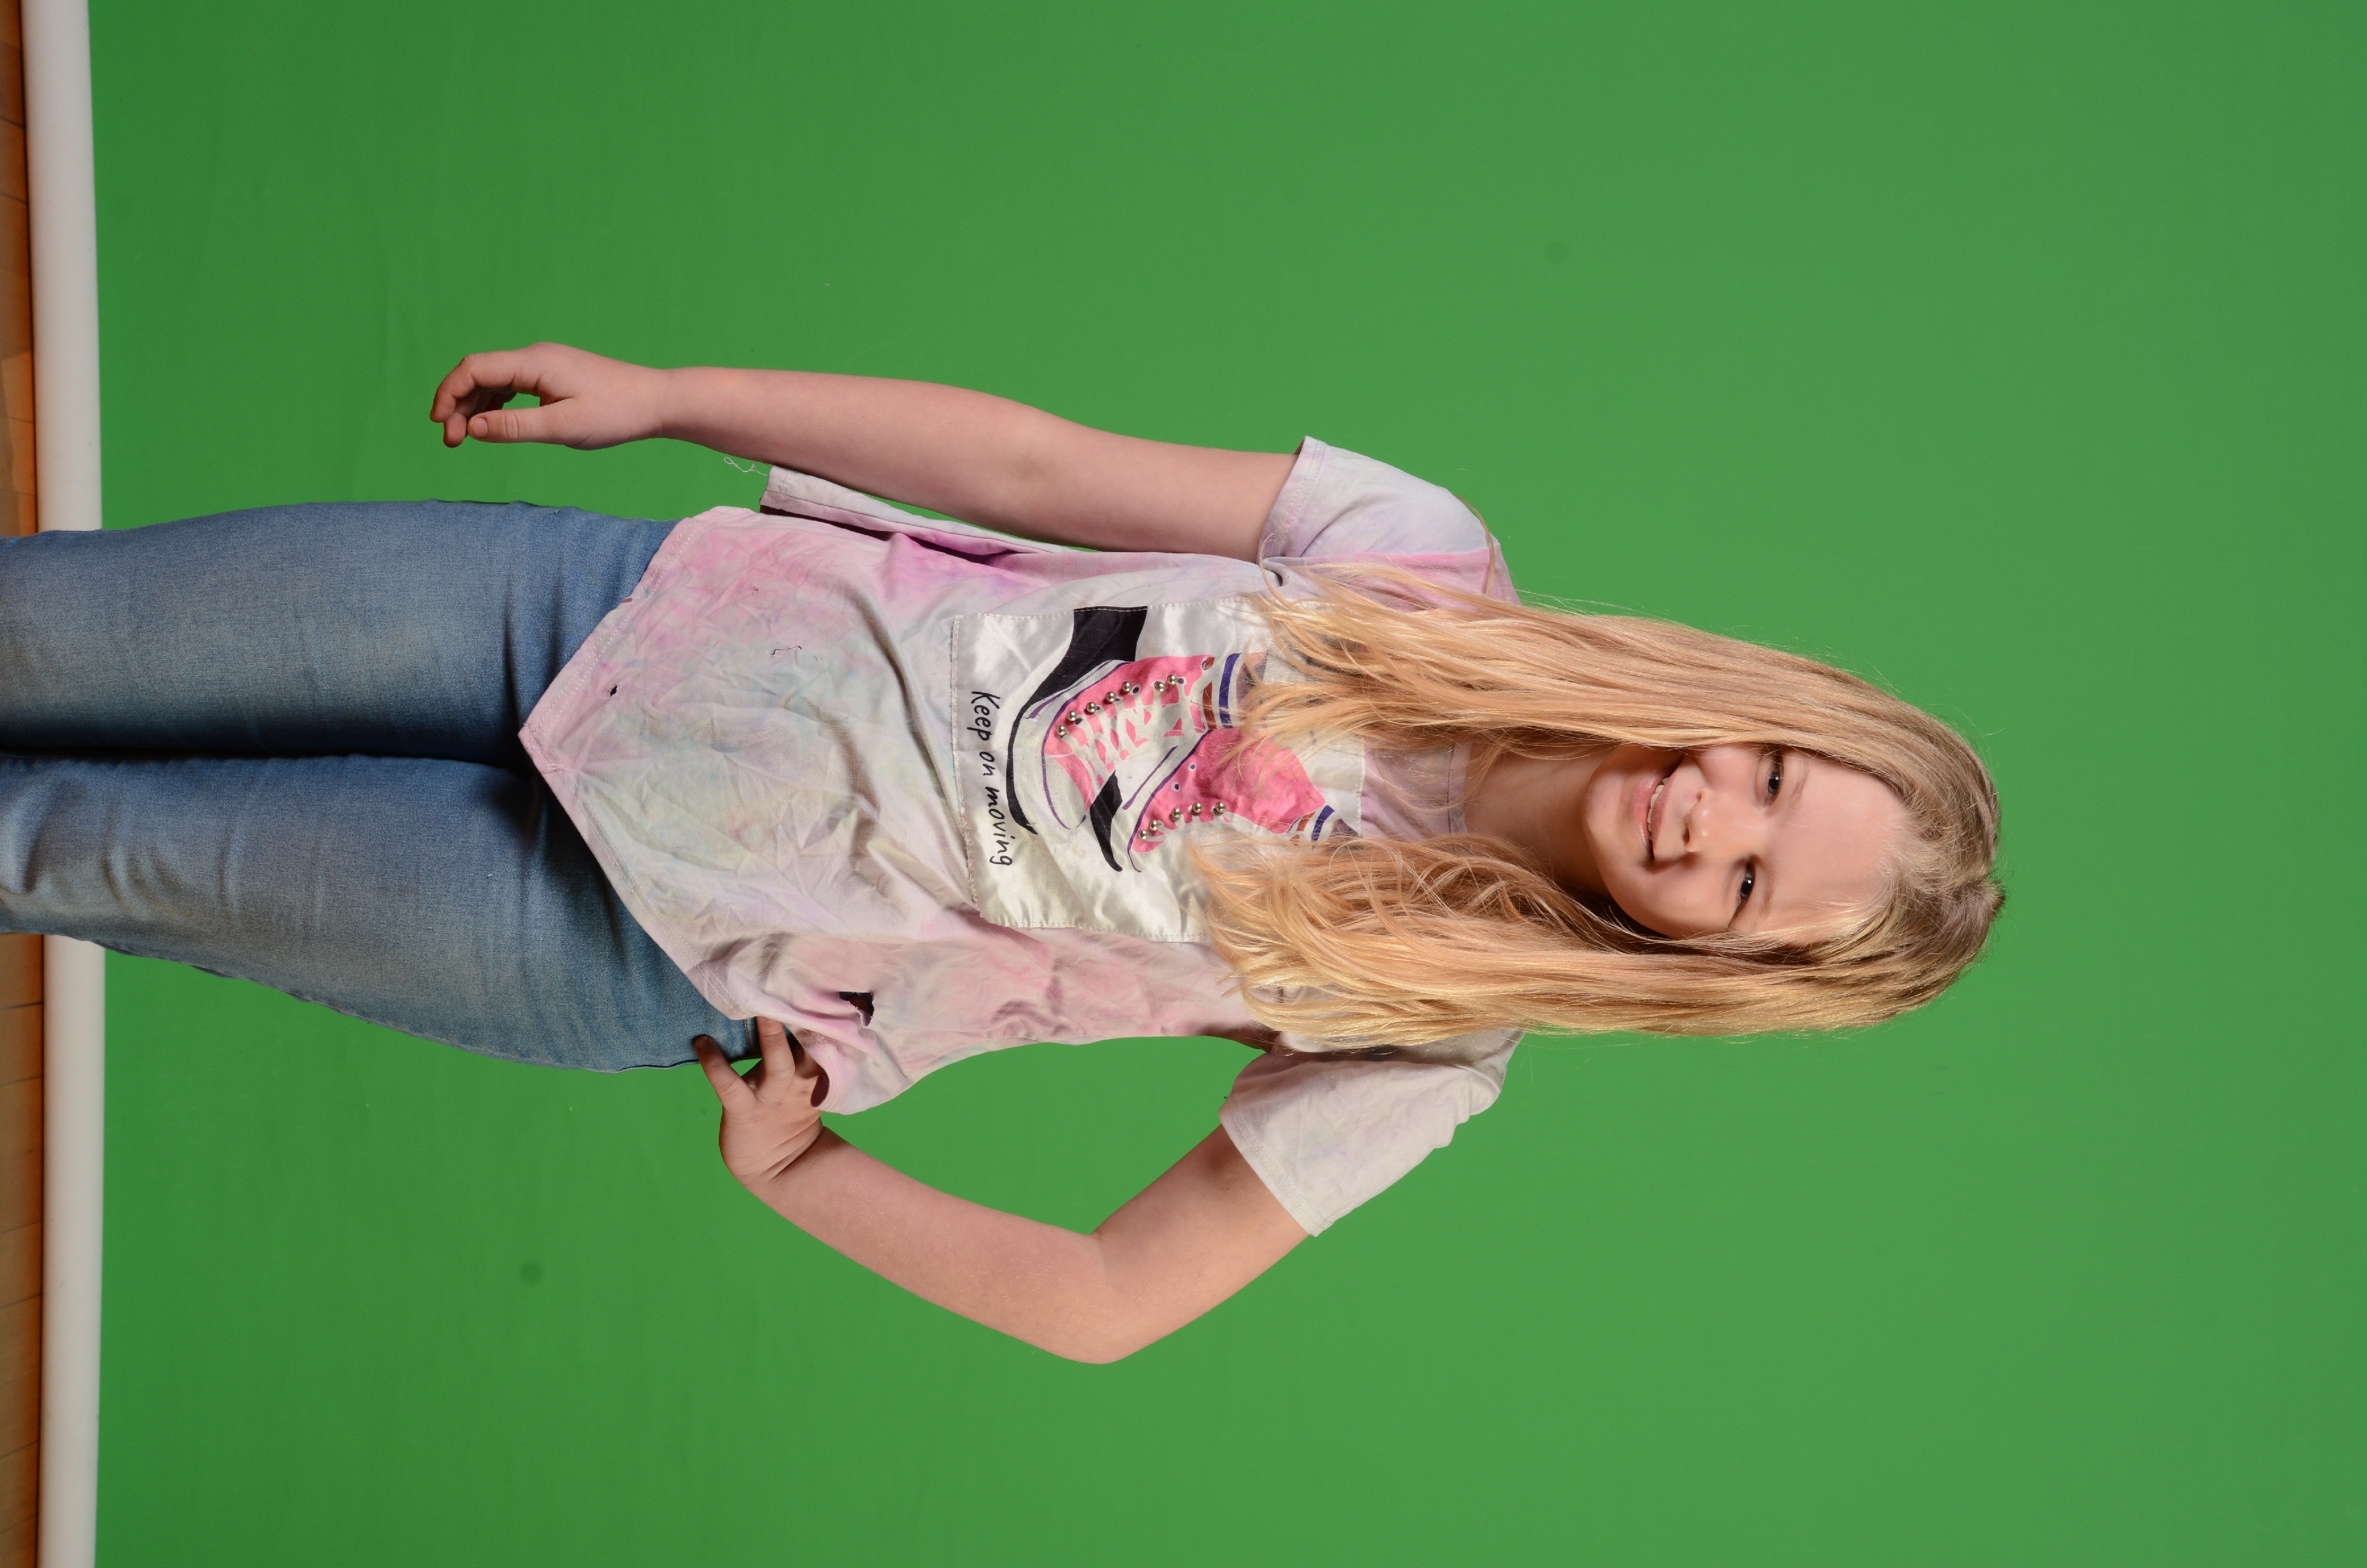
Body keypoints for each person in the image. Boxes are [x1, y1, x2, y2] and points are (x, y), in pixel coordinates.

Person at [0, 343, 2002, 1361]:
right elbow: (1027, 463)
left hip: (618, 934)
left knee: (68, 849)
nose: (1707, 819)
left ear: (1721, 970)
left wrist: (805, 1175)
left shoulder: (1429, 1038)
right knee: (44, 629)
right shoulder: (1419, 562)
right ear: (1756, 701)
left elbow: (1107, 1298)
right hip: (608, 612)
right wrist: (678, 397)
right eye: (1765, 773)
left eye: (1748, 885)